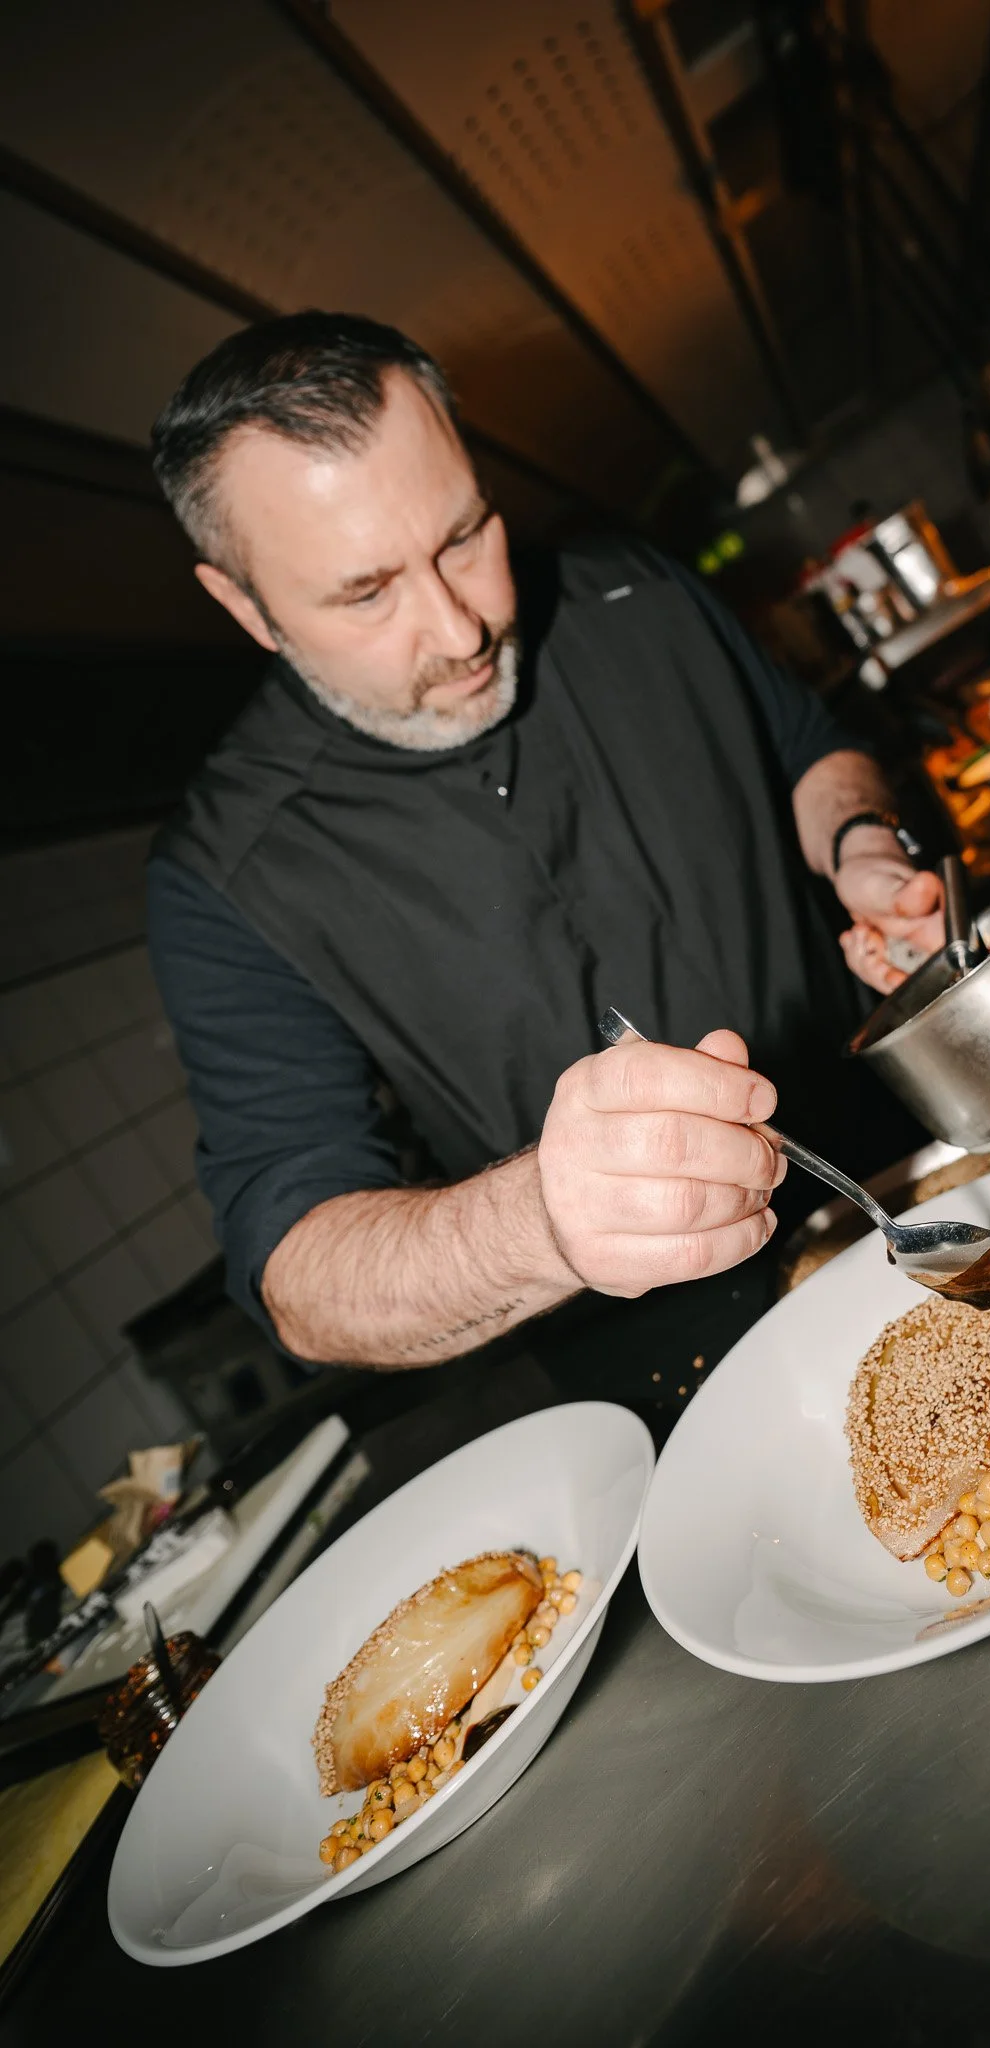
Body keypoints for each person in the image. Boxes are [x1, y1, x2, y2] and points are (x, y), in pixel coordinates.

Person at [146, 311, 943, 1386]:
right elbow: (294, 1262)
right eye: (368, 591)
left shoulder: (639, 593)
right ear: (244, 604)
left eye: (465, 536)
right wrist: (537, 1222)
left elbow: (807, 745)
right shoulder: (226, 874)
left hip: (913, 1178)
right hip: (670, 1368)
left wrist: (860, 848)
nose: (461, 626)